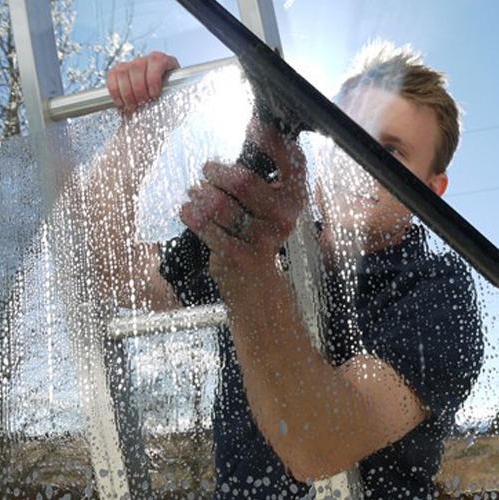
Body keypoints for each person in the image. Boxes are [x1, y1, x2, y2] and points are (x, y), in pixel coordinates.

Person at [99, 42, 483, 498]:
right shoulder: (269, 232)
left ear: (432, 189)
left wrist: (248, 268)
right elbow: (112, 273)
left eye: (392, 152)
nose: (362, 164)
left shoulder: (438, 289)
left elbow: (316, 446)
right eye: (350, 138)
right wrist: (143, 119)